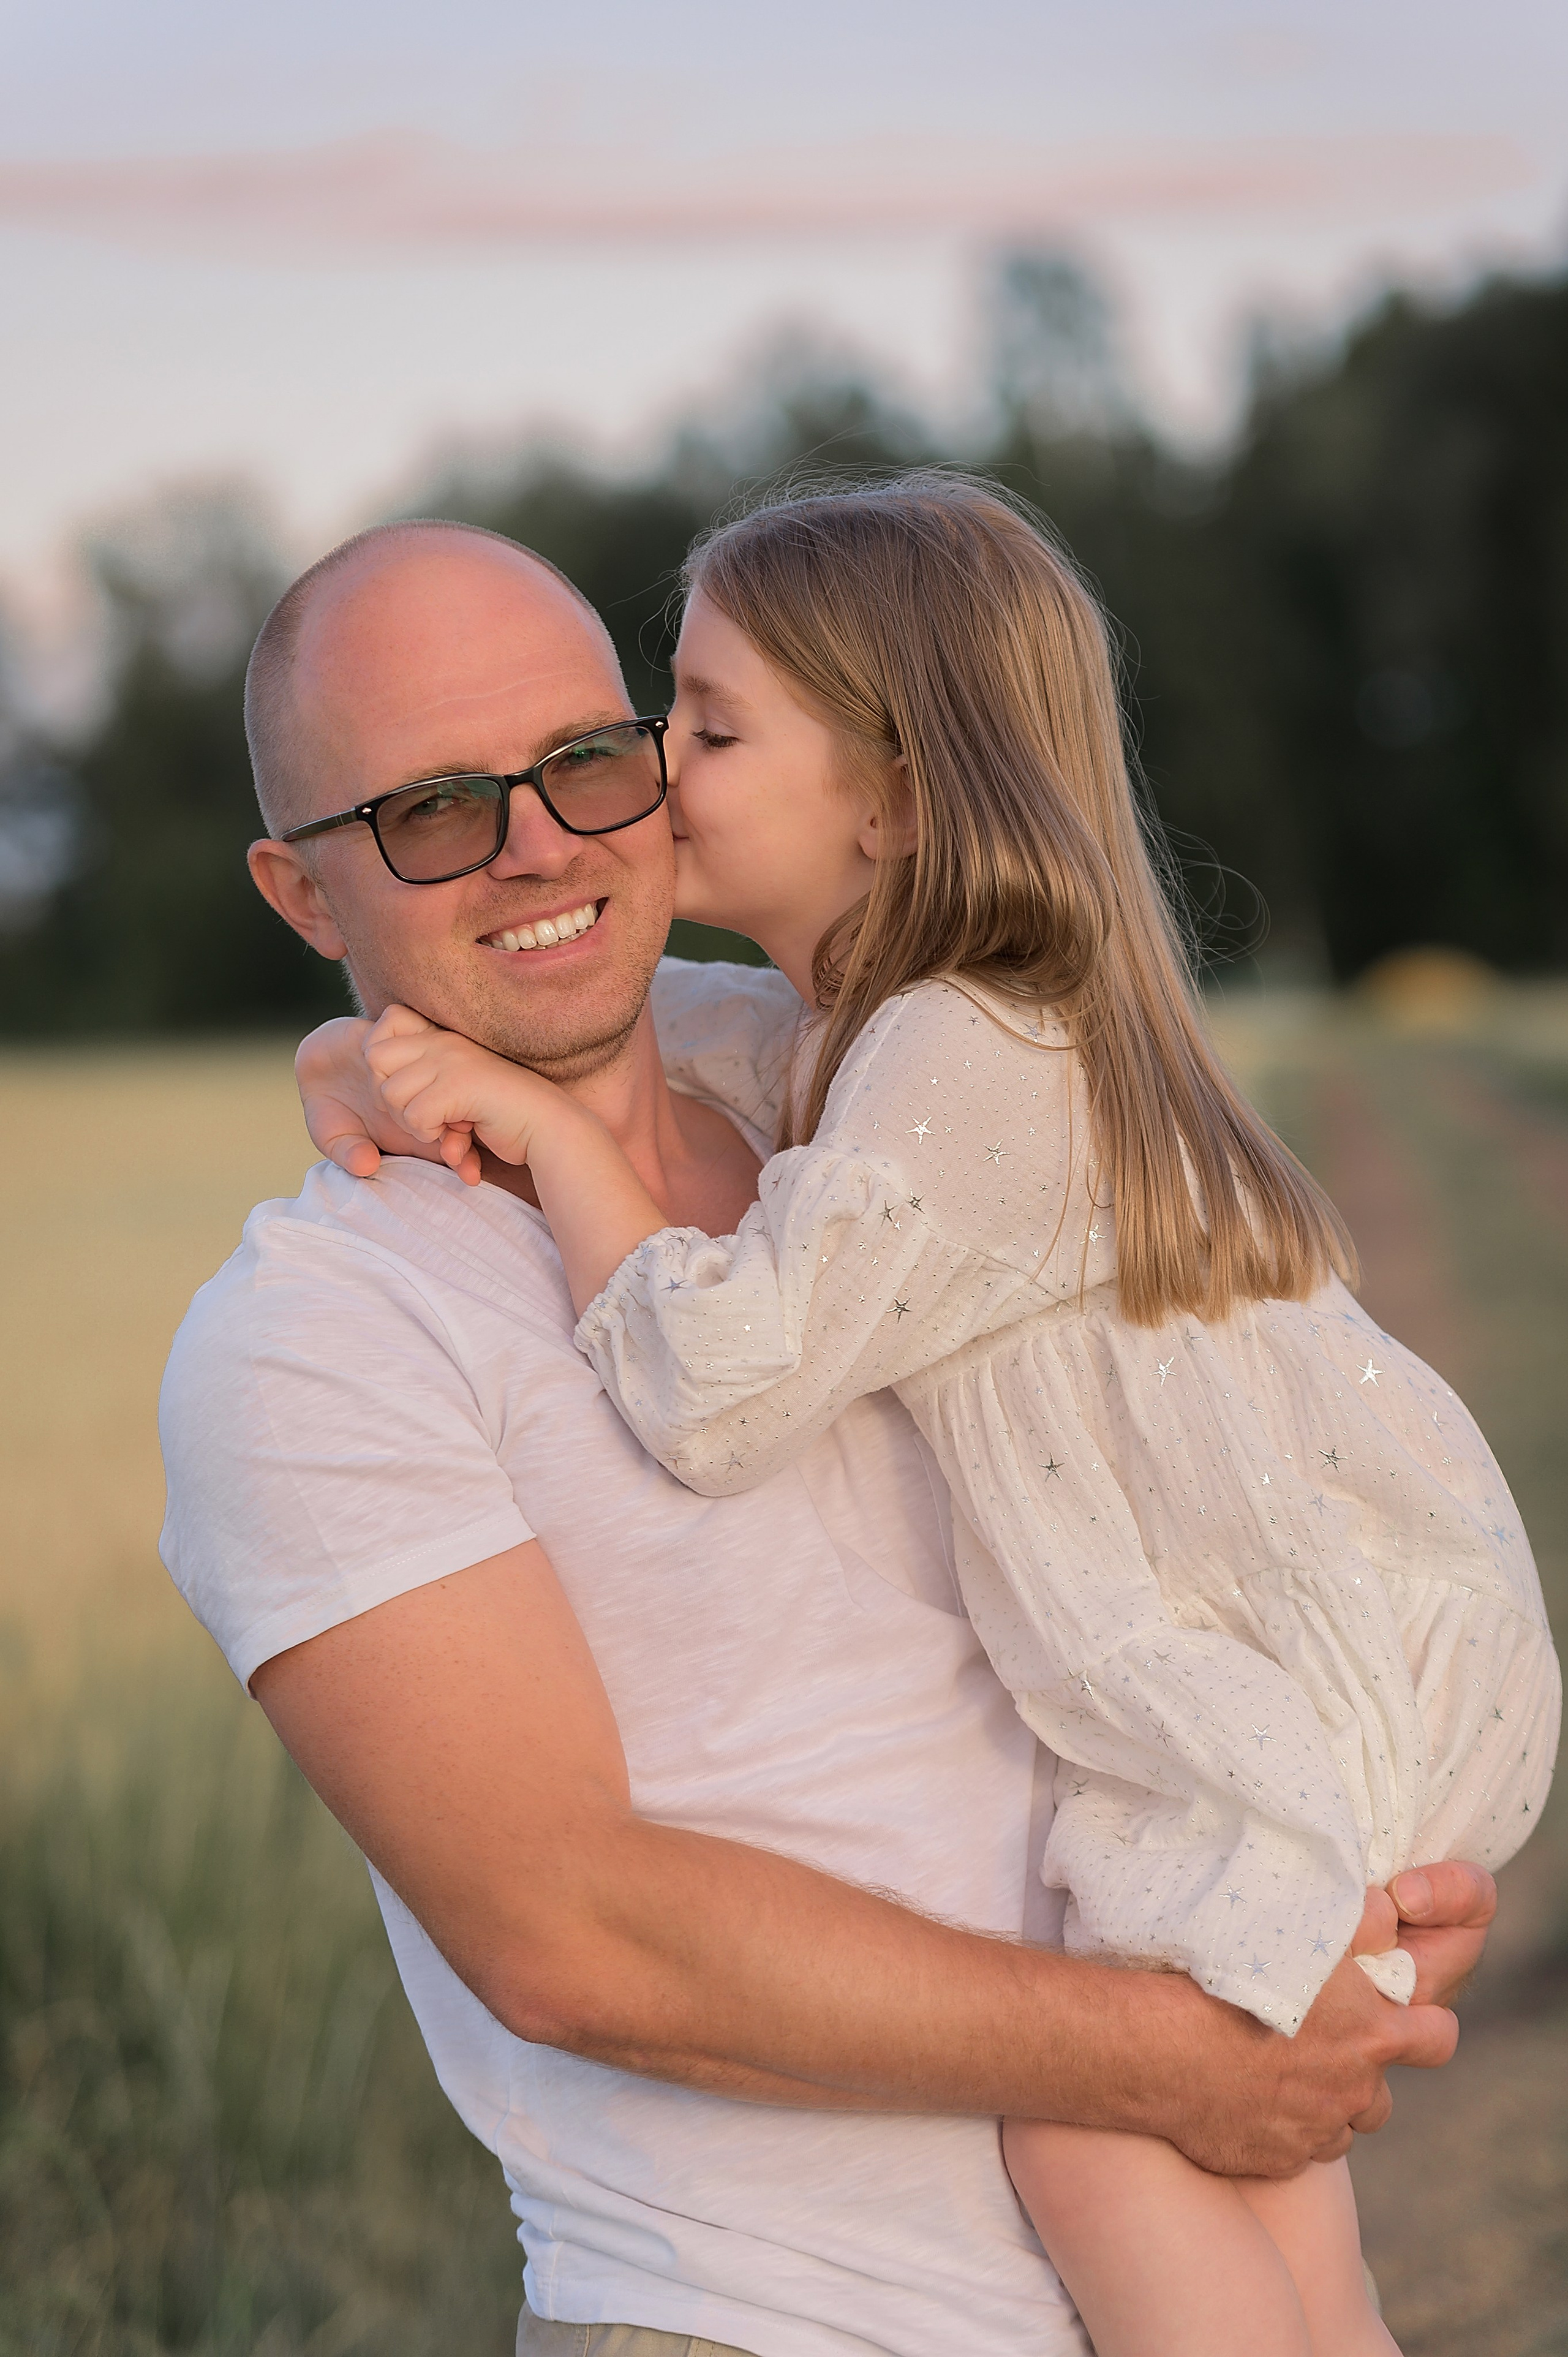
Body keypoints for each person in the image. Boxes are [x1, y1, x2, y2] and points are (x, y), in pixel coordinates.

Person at [161, 515, 1491, 2357]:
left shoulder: (838, 1103)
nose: (540, 841)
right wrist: (1178, 2062)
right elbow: (573, 1937)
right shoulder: (320, 1339)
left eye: (590, 760)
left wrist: (1335, 1896)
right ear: (306, 898)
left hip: (1173, 2240)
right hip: (766, 2319)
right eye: (431, 811)